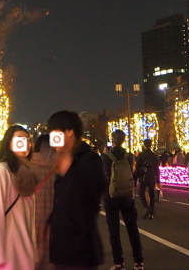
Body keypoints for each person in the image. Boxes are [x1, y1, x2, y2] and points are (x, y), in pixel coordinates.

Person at [47, 109, 108, 269]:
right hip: (62, 249)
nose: (52, 140)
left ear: (69, 132)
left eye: (55, 133)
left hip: (80, 250)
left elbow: (95, 193)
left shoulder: (89, 159)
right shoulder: (63, 160)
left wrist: (71, 171)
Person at [0, 125, 39, 270]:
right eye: (19, 139)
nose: (25, 143)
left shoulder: (27, 172)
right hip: (6, 254)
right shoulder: (0, 172)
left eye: (27, 139)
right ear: (9, 144)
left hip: (24, 248)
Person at [102, 129, 144, 270]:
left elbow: (104, 176)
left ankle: (118, 263)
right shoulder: (129, 156)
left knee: (114, 231)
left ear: (112, 140)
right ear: (124, 140)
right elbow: (133, 173)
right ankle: (139, 262)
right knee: (132, 228)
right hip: (127, 195)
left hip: (111, 195)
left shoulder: (106, 157)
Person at [32, 134, 57, 270]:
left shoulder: (28, 165)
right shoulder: (58, 166)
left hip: (33, 213)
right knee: (49, 250)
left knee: (33, 249)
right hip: (53, 214)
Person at [134, 138, 159, 220]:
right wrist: (158, 179)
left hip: (143, 177)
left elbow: (137, 167)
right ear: (151, 145)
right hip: (151, 177)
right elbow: (156, 168)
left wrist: (138, 176)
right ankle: (151, 213)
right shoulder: (154, 155)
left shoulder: (141, 155)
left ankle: (146, 206)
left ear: (144, 145)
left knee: (141, 193)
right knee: (152, 194)